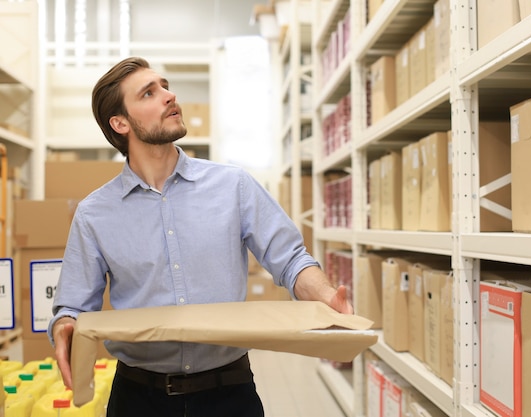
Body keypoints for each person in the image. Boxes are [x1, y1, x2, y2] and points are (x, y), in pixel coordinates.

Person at [48, 56, 353, 417]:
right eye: (149, 93)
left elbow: (290, 259)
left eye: (165, 85)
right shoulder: (94, 213)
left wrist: (325, 297)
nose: (169, 95)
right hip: (137, 399)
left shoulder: (232, 185)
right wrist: (65, 325)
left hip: (229, 394)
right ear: (120, 122)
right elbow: (73, 306)